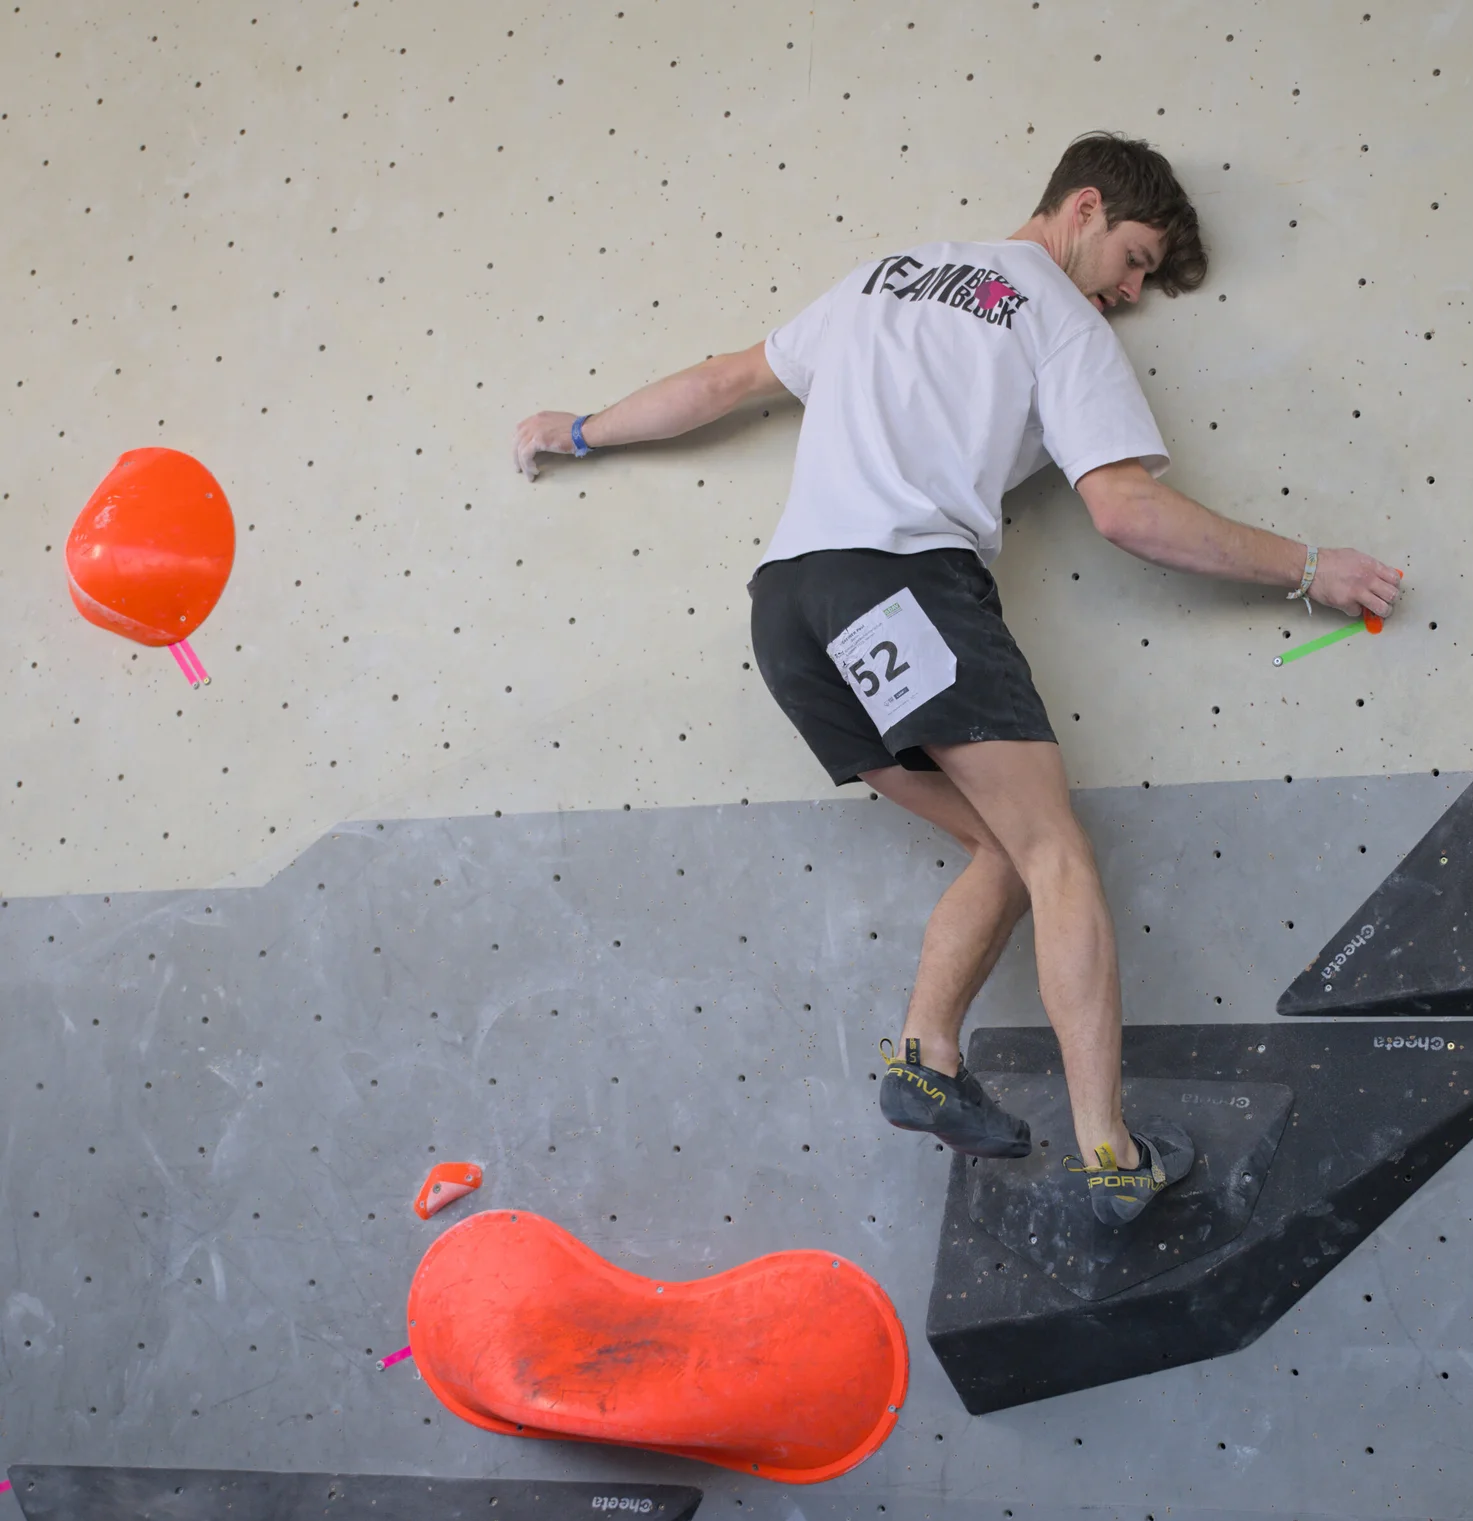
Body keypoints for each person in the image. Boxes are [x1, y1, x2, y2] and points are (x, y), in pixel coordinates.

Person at [514, 132, 1403, 1253]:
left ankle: (929, 1060)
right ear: (1083, 206)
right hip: (902, 592)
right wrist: (1310, 568)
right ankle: (1112, 1157)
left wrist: (580, 430)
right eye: (1134, 258)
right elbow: (1127, 511)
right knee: (1059, 854)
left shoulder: (886, 274)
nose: (1132, 292)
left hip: (790, 612)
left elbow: (726, 383)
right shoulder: (1056, 319)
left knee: (1001, 847)